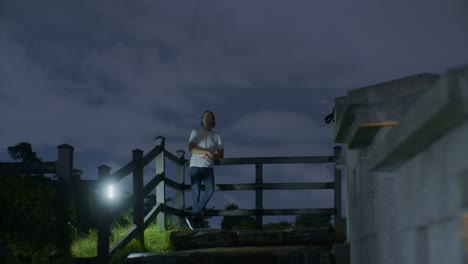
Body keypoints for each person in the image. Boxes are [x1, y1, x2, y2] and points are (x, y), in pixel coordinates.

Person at [185, 111, 224, 230]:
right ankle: (196, 222)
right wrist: (205, 152)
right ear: (202, 120)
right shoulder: (195, 132)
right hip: (195, 165)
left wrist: (212, 155)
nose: (206, 117)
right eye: (204, 116)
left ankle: (193, 216)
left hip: (208, 167)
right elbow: (191, 148)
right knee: (195, 191)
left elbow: (221, 155)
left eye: (209, 116)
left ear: (213, 120)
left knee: (210, 190)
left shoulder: (217, 136)